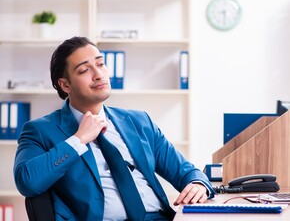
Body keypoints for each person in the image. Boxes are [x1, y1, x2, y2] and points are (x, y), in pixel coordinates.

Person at [14, 36, 215, 221]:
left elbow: (185, 171)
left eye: (101, 64)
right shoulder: (40, 130)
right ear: (65, 85)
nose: (98, 74)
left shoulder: (139, 121)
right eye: (84, 70)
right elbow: (27, 182)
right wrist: (79, 139)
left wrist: (199, 184)